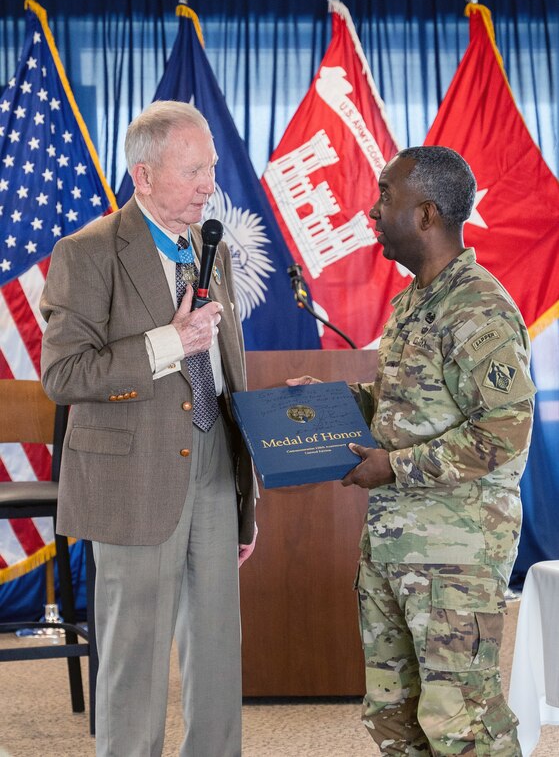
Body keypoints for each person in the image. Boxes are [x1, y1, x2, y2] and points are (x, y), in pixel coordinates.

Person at [288, 146, 535, 755]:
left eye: (385, 196)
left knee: (461, 721)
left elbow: (504, 429)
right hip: (394, 542)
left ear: (426, 213)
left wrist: (392, 466)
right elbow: (405, 405)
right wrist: (333, 402)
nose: (372, 211)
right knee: (393, 713)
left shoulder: (477, 306)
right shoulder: (412, 301)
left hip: (456, 550)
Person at [40, 100, 257, 757]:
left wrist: (248, 490)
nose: (207, 185)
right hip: (130, 477)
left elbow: (226, 370)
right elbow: (64, 375)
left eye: (211, 169)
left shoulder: (209, 247)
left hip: (216, 466)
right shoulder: (88, 251)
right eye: (192, 172)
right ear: (142, 174)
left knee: (218, 649)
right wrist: (169, 342)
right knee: (134, 654)